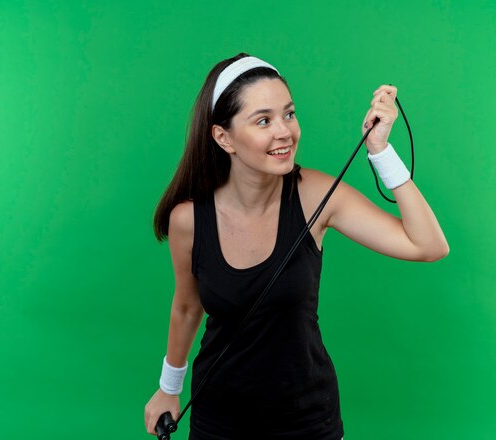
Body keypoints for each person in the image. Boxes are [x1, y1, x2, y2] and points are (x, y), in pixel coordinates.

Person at [144, 52, 449, 439]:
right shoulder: (189, 219)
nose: (284, 132)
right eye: (263, 120)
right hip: (219, 420)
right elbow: (187, 307)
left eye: (289, 114)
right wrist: (169, 388)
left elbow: (427, 245)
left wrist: (380, 152)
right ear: (224, 137)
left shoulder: (316, 196)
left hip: (307, 421)